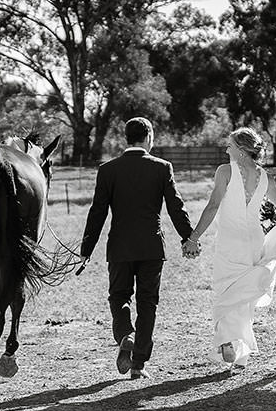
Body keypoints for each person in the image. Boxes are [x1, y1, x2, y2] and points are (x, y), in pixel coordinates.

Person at [80, 117, 199, 379]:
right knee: (148, 302)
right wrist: (188, 237)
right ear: (148, 137)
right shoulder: (162, 167)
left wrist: (86, 249)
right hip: (151, 247)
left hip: (119, 246)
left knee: (119, 296)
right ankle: (138, 364)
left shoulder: (108, 169)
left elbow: (97, 212)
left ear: (127, 137)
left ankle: (126, 334)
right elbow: (175, 206)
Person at [185, 127, 276, 370]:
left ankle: (226, 341)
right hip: (254, 241)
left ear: (241, 150)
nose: (226, 150)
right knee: (244, 297)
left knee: (225, 290)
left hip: (230, 241)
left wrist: (194, 237)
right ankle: (241, 354)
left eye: (230, 146)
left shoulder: (225, 171)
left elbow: (213, 206)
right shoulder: (266, 177)